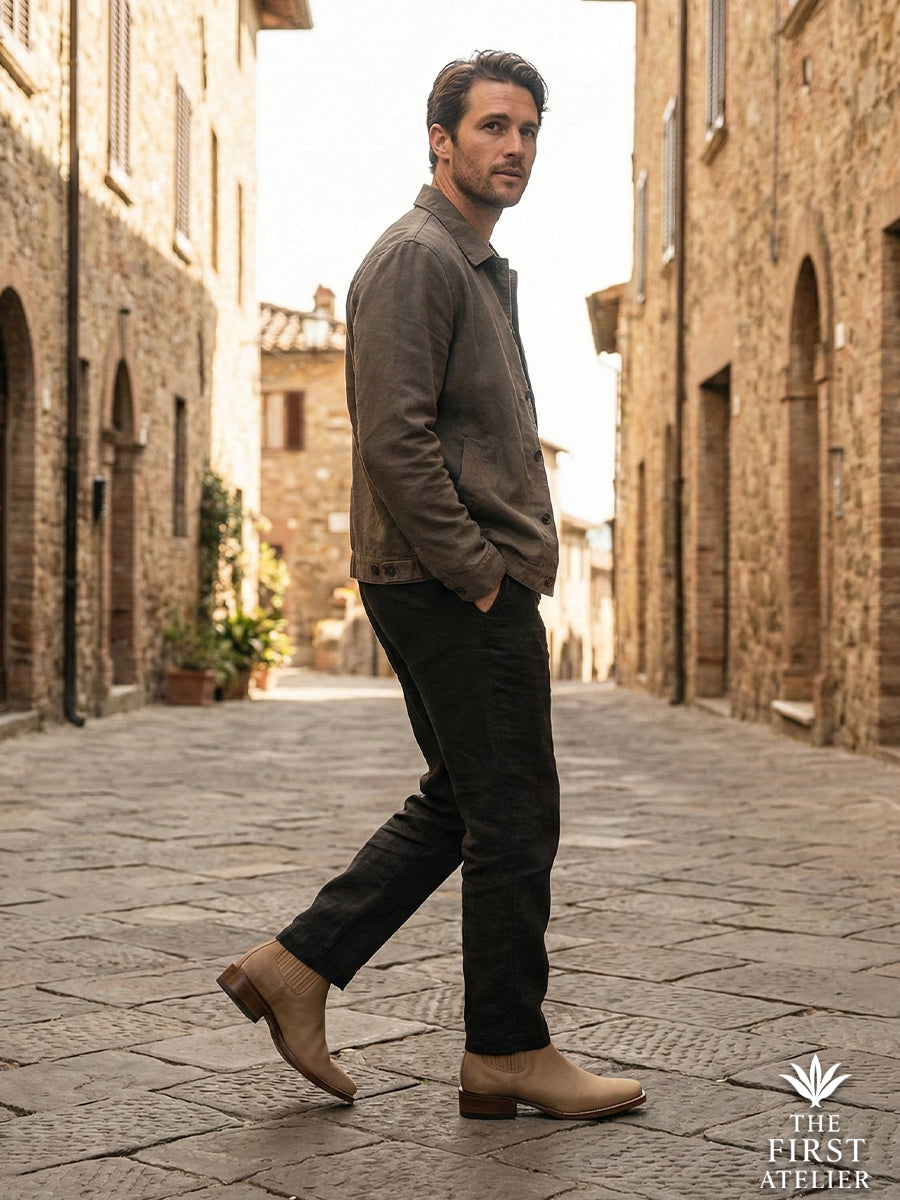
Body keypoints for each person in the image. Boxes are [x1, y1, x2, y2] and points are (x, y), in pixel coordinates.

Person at [218, 50, 646, 1122]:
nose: (515, 147)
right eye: (493, 126)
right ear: (439, 139)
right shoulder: (418, 258)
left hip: (450, 580)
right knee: (514, 817)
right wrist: (483, 577)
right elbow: (394, 442)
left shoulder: (467, 262)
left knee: (464, 798)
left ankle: (296, 969)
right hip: (449, 583)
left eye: (529, 129)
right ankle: (506, 1051)